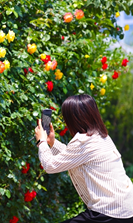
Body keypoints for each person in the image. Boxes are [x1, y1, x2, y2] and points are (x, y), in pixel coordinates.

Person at [34, 94, 133, 223]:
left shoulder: (83, 142)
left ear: (73, 119)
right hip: (126, 209)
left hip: (109, 212)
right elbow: (75, 157)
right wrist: (52, 142)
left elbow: (50, 165)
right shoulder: (101, 136)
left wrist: (41, 142)